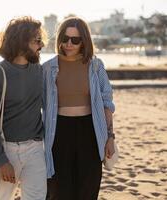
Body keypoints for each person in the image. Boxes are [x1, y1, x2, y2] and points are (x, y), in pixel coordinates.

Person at [42, 16, 116, 200]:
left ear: (84, 41)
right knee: (60, 190)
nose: (69, 44)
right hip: (58, 132)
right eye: (65, 39)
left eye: (75, 40)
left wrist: (110, 137)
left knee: (88, 189)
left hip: (90, 132)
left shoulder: (96, 66)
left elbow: (107, 103)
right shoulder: (47, 68)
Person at [0, 16, 47, 200]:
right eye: (37, 41)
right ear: (22, 41)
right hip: (7, 150)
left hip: (36, 149)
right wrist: (1, 161)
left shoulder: (40, 71)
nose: (41, 45)